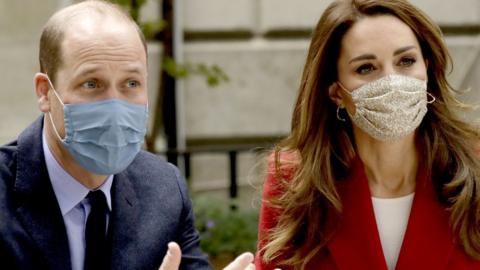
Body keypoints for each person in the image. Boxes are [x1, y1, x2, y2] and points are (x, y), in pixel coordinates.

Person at [0, 1, 254, 269]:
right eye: (91, 84)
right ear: (44, 92)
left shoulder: (163, 190)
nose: (114, 105)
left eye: (131, 84)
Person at [255, 0, 480, 269]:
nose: (392, 80)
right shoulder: (294, 182)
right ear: (336, 92)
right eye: (366, 68)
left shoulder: (475, 171)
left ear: (428, 71)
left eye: (406, 61)